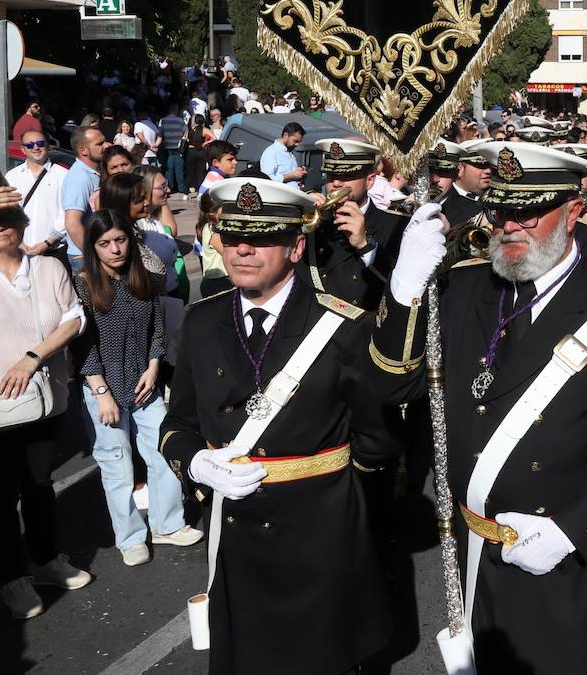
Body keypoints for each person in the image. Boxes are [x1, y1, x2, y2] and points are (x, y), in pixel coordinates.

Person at [371, 142, 587, 674]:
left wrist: (572, 531)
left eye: (529, 211)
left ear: (575, 209)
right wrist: (403, 294)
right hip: (475, 551)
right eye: (500, 210)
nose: (510, 226)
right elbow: (392, 388)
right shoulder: (465, 286)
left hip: (572, 562)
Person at [159, 178, 396, 674]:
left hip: (320, 533)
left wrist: (351, 514)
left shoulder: (342, 325)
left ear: (296, 246)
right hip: (233, 529)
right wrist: (196, 463)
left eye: (263, 237)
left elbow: (377, 440)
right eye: (232, 235)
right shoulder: (201, 321)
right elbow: (178, 422)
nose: (243, 249)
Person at [0, 170, 92, 620]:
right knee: (0, 495)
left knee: (40, 484)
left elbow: (72, 319)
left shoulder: (48, 266)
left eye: (8, 215)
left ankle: (44, 560)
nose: (0, 224)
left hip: (45, 394)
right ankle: (12, 578)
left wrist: (31, 358)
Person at [74, 210, 199, 566]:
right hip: (103, 387)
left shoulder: (141, 277)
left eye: (120, 240)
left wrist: (154, 366)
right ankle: (129, 538)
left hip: (144, 382)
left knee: (164, 450)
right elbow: (82, 346)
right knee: (117, 466)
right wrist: (101, 393)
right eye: (104, 243)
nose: (114, 249)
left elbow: (157, 328)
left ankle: (167, 524)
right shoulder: (82, 284)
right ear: (92, 247)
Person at [304, 139, 407, 309]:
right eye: (331, 176)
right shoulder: (312, 219)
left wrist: (365, 246)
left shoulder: (397, 224)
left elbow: (402, 289)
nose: (336, 183)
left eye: (347, 176)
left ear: (370, 181)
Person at [5, 129, 68, 257]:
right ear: (23, 149)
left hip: (54, 250)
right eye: (30, 145)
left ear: (47, 146)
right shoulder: (12, 176)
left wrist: (47, 243)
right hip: (20, 250)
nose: (36, 148)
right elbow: (6, 212)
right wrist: (19, 243)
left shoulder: (62, 175)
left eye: (40, 143)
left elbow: (67, 213)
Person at [61, 127, 107, 272]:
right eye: (99, 144)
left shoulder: (93, 172)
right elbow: (72, 224)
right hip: (85, 258)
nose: (106, 146)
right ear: (83, 150)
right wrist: (94, 255)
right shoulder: (79, 178)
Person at [258, 122, 306, 187]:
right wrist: (291, 176)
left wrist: (300, 173)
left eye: (299, 142)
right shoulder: (271, 152)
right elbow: (266, 179)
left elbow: (290, 173)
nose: (297, 145)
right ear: (285, 135)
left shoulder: (289, 152)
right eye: (295, 141)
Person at [158, 104, 188, 200]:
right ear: (176, 110)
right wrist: (183, 140)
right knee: (179, 169)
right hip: (178, 148)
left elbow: (160, 133)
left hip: (168, 148)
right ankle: (181, 188)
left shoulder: (163, 120)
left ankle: (169, 187)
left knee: (169, 170)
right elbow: (186, 132)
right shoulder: (180, 120)